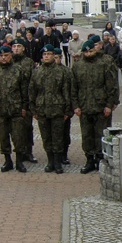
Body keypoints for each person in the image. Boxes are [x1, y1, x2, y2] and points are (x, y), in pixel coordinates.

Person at [71, 41, 118, 173]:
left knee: (101, 134)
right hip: (84, 106)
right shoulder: (78, 66)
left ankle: (101, 159)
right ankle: (89, 159)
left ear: (95, 50)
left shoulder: (103, 64)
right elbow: (73, 88)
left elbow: (111, 86)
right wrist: (75, 106)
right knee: (86, 135)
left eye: (90, 51)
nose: (88, 54)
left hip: (100, 106)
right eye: (86, 52)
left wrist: (109, 105)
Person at [29, 45, 72, 174]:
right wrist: (33, 110)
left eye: (49, 54)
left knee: (58, 137)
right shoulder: (37, 72)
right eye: (44, 54)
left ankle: (58, 162)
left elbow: (66, 92)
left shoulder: (61, 72)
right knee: (46, 137)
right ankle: (50, 161)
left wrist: (67, 111)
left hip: (57, 109)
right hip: (42, 109)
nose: (46, 56)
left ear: (54, 56)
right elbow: (32, 92)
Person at [0, 45, 30, 173]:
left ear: (10, 55)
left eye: (6, 55)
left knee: (18, 137)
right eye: (1, 56)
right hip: (0, 111)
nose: (3, 58)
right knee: (3, 137)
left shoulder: (18, 70)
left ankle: (19, 162)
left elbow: (24, 91)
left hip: (16, 110)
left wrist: (24, 107)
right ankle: (7, 161)